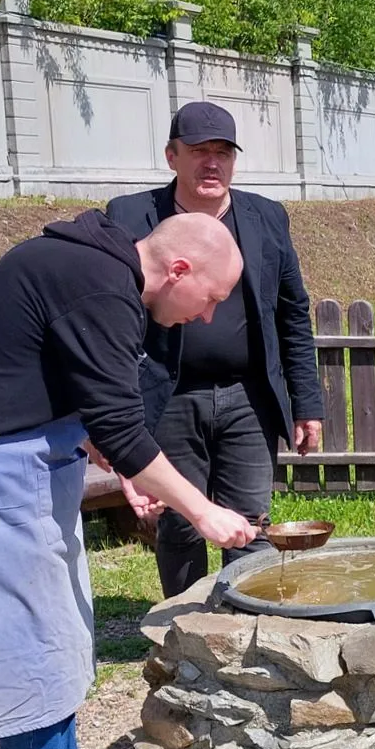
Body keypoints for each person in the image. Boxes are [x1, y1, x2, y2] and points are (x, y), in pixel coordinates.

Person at [0, 211, 258, 749]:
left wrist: (118, 463)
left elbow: (75, 388)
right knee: (30, 638)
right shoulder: (101, 288)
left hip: (17, 466)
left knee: (54, 623)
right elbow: (125, 428)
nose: (208, 317)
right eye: (210, 299)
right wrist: (205, 512)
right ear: (179, 269)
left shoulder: (99, 272)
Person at [106, 101, 325, 599]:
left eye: (223, 152)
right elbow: (115, 317)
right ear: (171, 156)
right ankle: (185, 629)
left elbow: (292, 312)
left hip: (247, 397)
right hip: (168, 396)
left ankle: (253, 629)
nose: (212, 163)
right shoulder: (131, 215)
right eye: (200, 151)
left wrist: (306, 402)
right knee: (181, 524)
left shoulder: (266, 218)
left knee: (250, 525)